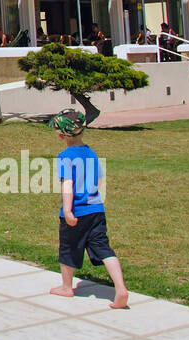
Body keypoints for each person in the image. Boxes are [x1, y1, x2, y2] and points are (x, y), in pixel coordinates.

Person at [48, 110, 129, 309]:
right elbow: (99, 178)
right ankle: (120, 288)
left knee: (68, 248)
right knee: (103, 247)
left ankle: (67, 287)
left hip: (77, 212)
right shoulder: (91, 153)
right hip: (96, 210)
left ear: (61, 136)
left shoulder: (65, 156)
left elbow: (68, 184)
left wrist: (68, 211)